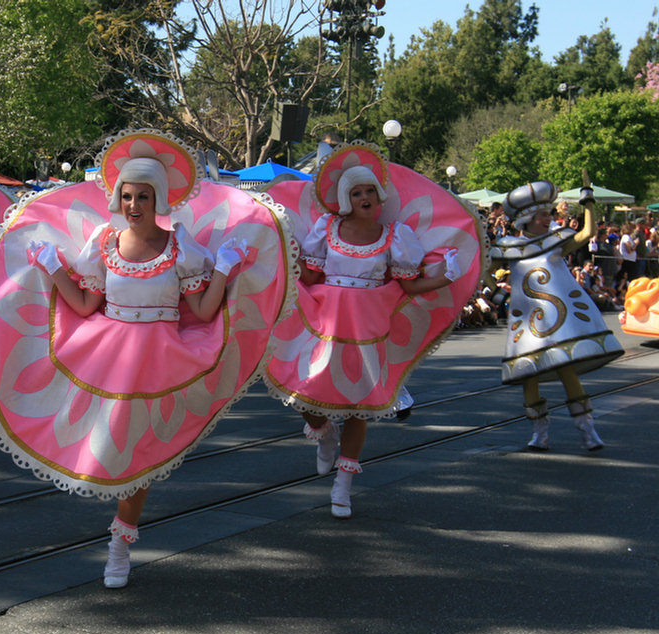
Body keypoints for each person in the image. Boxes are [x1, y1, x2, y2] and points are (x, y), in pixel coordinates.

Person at [0, 130, 291, 588]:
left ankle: (120, 542)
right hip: (106, 355)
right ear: (117, 199)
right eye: (127, 195)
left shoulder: (182, 248)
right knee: (111, 448)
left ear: (159, 198)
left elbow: (201, 311)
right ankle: (120, 532)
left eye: (143, 195)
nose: (134, 204)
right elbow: (82, 306)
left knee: (139, 453)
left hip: (161, 358)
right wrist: (53, 267)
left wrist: (222, 270)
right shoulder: (104, 244)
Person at [264, 143, 472, 520]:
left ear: (379, 197)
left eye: (369, 191)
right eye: (356, 192)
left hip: (369, 326)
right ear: (345, 199)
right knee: (303, 393)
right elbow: (311, 274)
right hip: (324, 320)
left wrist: (446, 277)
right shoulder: (327, 228)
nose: (364, 196)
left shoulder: (395, 235)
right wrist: (286, 250)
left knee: (359, 406)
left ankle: (344, 483)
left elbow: (409, 286)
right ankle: (323, 431)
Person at [492, 181, 623, 451]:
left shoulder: (555, 242)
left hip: (559, 322)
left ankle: (588, 431)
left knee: (566, 369)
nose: (548, 218)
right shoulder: (506, 247)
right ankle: (540, 434)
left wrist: (588, 203)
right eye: (543, 215)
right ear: (527, 220)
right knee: (530, 375)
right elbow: (482, 268)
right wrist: (496, 293)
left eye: (549, 214)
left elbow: (587, 233)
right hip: (527, 324)